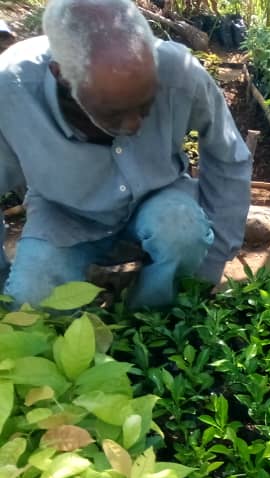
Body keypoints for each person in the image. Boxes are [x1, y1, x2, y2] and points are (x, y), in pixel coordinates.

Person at [0, 0, 251, 309]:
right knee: (30, 301)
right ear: (61, 76)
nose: (133, 126)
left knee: (182, 231)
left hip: (159, 200)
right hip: (64, 215)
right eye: (114, 113)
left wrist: (211, 263)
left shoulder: (179, 71)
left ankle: (151, 316)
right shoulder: (12, 92)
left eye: (146, 105)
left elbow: (229, 156)